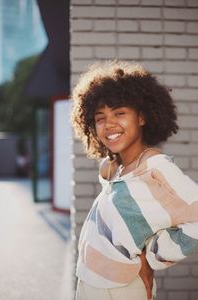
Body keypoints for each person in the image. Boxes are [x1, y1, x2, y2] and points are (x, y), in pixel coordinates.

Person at [71, 60, 198, 300]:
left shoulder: (156, 168)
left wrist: (152, 256)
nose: (109, 124)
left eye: (119, 113)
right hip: (88, 282)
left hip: (120, 290)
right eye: (100, 117)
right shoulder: (113, 168)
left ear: (141, 117)